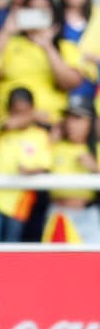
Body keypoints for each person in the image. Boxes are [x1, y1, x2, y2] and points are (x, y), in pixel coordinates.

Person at [0, 0, 97, 130]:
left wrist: (48, 47)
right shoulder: (9, 43)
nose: (37, 14)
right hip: (9, 125)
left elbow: (70, 82)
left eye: (43, 10)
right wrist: (6, 30)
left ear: (53, 14)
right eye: (32, 9)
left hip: (49, 126)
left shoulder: (65, 47)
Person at [0, 87, 52, 242]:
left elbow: (44, 164)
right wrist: (34, 114)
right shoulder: (0, 126)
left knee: (12, 249)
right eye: (17, 111)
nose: (21, 116)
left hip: (19, 201)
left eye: (25, 111)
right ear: (9, 110)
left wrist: (30, 171)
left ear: (31, 107)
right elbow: (10, 124)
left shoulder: (40, 135)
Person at [42, 99, 100, 243]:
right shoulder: (55, 147)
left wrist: (94, 168)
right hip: (57, 214)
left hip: (86, 215)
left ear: (90, 123)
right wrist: (49, 143)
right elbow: (35, 167)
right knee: (54, 263)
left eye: (78, 118)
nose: (71, 123)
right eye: (68, 118)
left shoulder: (96, 150)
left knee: (92, 262)